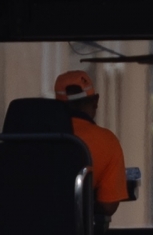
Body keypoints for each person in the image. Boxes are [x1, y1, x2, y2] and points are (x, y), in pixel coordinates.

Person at [54, 70, 128, 215]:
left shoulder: (30, 138)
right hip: (70, 234)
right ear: (96, 102)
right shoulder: (108, 142)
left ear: (56, 104)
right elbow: (108, 207)